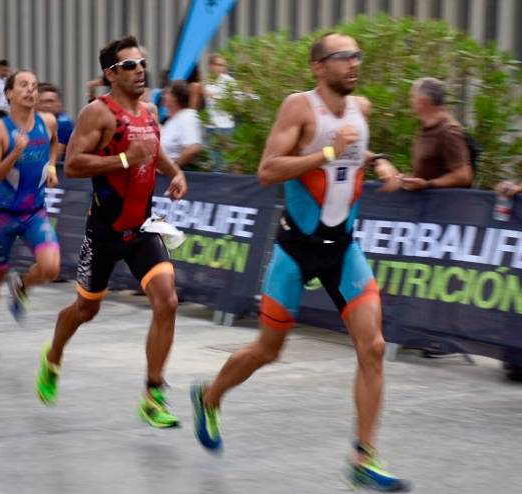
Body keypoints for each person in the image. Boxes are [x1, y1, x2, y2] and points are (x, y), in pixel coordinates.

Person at [189, 32, 410, 492]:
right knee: (268, 350)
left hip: (343, 250)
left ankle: (364, 457)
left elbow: (356, 149)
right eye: (342, 56)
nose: (353, 63)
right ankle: (209, 397)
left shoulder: (361, 108)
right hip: (296, 249)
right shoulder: (299, 107)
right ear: (318, 66)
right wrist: (328, 152)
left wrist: (381, 161)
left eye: (357, 55)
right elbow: (268, 170)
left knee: (372, 347)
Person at [35, 36, 188, 430]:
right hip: (104, 233)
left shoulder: (149, 111)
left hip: (143, 229)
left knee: (167, 301)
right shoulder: (97, 113)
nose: (140, 70)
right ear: (110, 74)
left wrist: (175, 172)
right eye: (129, 65)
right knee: (86, 310)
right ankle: (53, 356)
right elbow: (73, 165)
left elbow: (153, 150)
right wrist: (122, 159)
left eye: (142, 63)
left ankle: (152, 395)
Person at [0, 70, 60, 356]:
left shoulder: (47, 122)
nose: (30, 91)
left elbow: (55, 142)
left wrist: (52, 166)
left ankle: (22, 285)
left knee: (51, 268)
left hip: (35, 213)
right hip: (3, 216)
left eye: (34, 86)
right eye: (23, 85)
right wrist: (14, 153)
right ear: (9, 93)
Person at [401, 77, 472, 191]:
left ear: (423, 101)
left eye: (412, 96)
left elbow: (463, 175)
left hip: (442, 201)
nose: (410, 101)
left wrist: (428, 184)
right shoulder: (427, 127)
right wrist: (408, 180)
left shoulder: (448, 131)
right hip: (424, 200)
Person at [203, 54, 236, 171]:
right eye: (218, 65)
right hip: (211, 126)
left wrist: (212, 95)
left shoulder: (229, 81)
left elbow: (231, 100)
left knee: (225, 162)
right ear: (211, 66)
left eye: (223, 65)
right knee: (214, 161)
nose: (221, 68)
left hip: (225, 126)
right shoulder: (207, 81)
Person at [160, 81, 203, 168]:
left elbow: (193, 148)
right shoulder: (172, 119)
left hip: (177, 173)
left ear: (175, 98)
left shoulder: (187, 116)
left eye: (167, 93)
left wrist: (173, 169)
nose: (163, 96)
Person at [37, 84, 74, 157]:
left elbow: (55, 156)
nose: (48, 105)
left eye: (51, 101)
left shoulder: (64, 124)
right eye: (43, 102)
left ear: (59, 104)